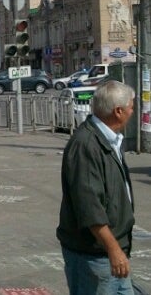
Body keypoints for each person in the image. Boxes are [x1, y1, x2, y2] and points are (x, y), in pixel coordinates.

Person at [57, 80, 135, 294]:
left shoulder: (111, 140)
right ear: (118, 111)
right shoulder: (86, 145)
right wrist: (113, 249)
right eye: (131, 107)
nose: (132, 111)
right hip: (94, 255)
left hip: (112, 252)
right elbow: (90, 208)